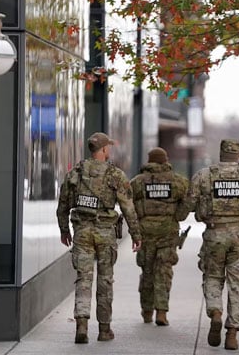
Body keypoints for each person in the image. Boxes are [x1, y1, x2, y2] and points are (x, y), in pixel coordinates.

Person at [56, 132, 142, 344]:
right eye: (108, 148)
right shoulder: (115, 174)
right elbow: (128, 208)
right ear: (103, 150)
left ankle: (82, 325)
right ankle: (104, 329)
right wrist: (136, 234)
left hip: (82, 232)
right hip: (105, 233)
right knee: (105, 281)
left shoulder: (75, 172)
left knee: (83, 279)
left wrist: (64, 230)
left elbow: (63, 205)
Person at [183, 139, 239, 351]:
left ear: (221, 153)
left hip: (214, 233)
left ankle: (215, 312)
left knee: (212, 276)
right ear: (238, 154)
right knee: (237, 284)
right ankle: (232, 333)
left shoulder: (204, 175)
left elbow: (189, 204)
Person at [130, 147, 190, 326]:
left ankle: (147, 311)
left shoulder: (137, 182)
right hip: (168, 235)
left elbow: (128, 204)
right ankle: (162, 312)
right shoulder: (178, 182)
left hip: (145, 234)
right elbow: (189, 202)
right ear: (166, 161)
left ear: (149, 161)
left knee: (147, 273)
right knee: (164, 272)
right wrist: (178, 215)